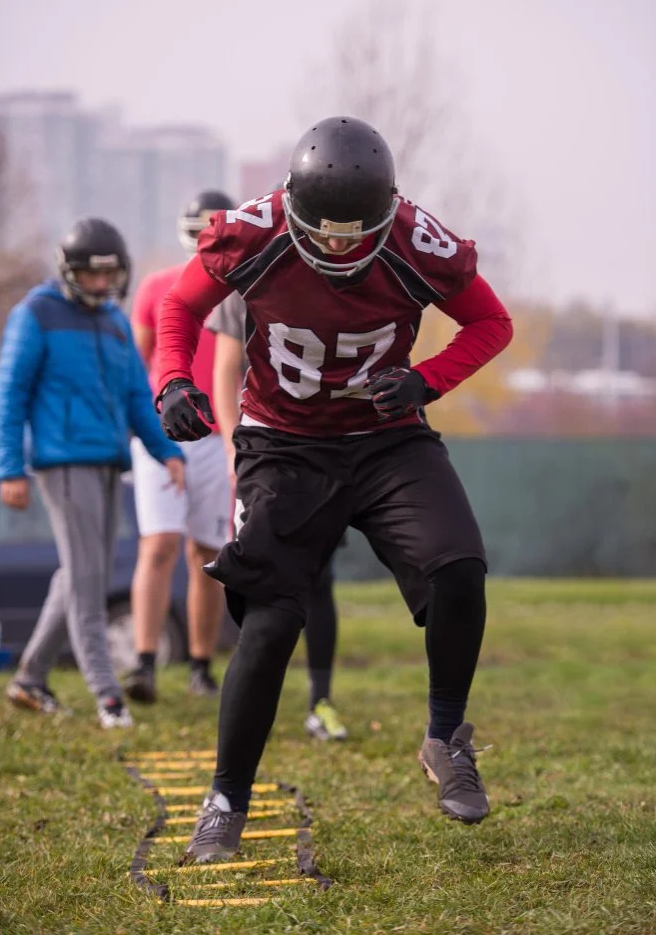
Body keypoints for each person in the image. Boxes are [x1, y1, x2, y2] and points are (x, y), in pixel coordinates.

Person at [155, 116, 514, 861]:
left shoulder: (419, 241)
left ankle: (445, 735)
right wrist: (170, 381)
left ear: (388, 208)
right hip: (282, 444)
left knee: (458, 568)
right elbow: (178, 307)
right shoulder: (254, 234)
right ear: (294, 206)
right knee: (271, 620)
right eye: (328, 233)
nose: (342, 247)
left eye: (359, 233)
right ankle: (226, 798)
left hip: (385, 441)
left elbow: (490, 323)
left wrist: (424, 379)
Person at [0, 218, 184, 728]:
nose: (101, 285)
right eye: (91, 275)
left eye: (110, 275)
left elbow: (134, 397)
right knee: (88, 580)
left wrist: (167, 450)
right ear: (69, 271)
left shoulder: (114, 322)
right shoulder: (35, 313)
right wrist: (8, 467)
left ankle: (30, 678)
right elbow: (9, 392)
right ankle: (107, 695)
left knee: (80, 575)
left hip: (107, 461)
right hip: (62, 463)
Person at [209, 289, 347, 740]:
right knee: (258, 578)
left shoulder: (342, 276)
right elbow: (225, 371)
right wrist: (236, 449)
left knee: (319, 579)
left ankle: (320, 701)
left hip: (328, 446)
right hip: (268, 450)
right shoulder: (248, 278)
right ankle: (250, 698)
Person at [124, 190, 234, 703]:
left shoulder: (243, 289)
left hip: (216, 435)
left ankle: (199, 664)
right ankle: (144, 661)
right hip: (161, 434)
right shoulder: (157, 285)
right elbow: (136, 363)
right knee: (159, 544)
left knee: (208, 554)